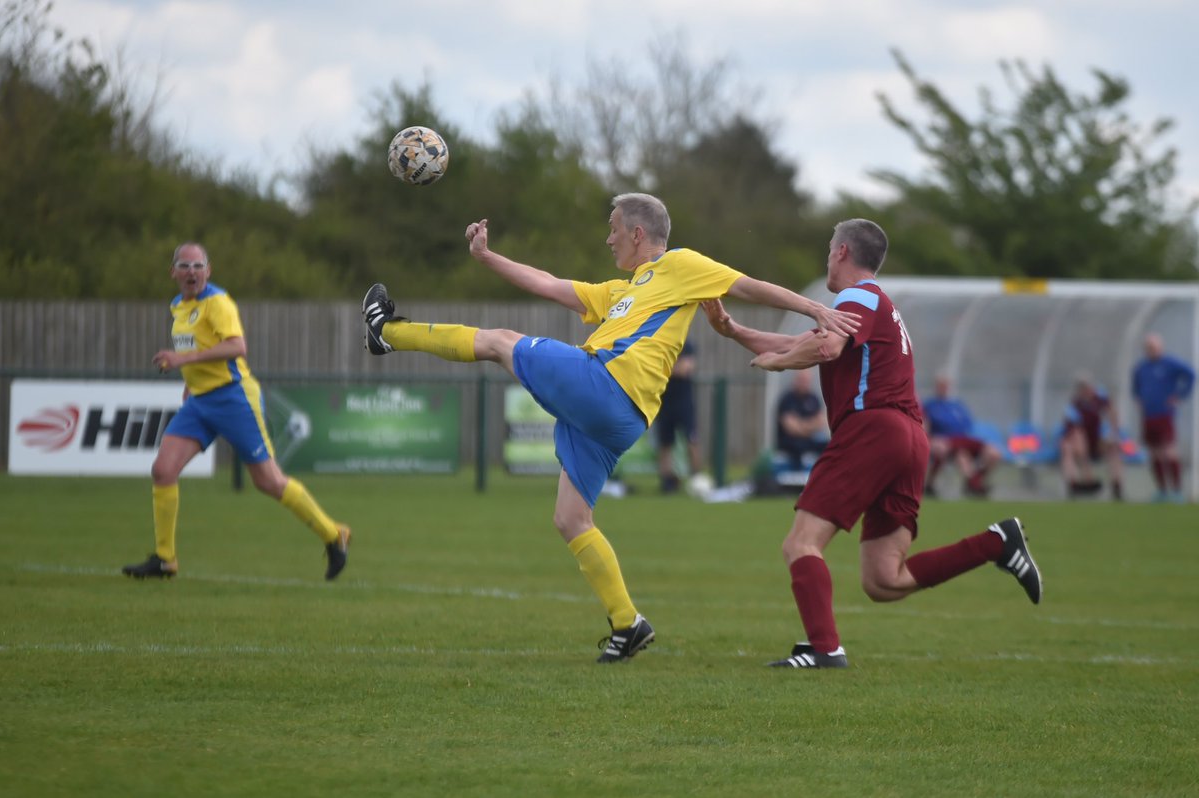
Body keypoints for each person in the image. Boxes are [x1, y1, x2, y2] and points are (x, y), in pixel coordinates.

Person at [360, 192, 860, 663]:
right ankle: (628, 623)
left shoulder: (678, 264)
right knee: (571, 519)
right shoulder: (623, 291)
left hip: (607, 386)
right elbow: (549, 284)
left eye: (613, 228)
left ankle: (387, 333)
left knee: (498, 340)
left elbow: (746, 285)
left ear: (639, 233)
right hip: (616, 417)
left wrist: (815, 308)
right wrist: (487, 258)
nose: (608, 238)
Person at [701, 218, 1041, 669]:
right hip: (909, 438)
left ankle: (824, 648)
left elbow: (824, 351)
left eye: (828, 248)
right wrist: (733, 331)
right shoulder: (876, 306)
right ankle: (997, 543)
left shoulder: (856, 295)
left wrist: (780, 365)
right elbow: (806, 340)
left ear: (842, 252)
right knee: (885, 579)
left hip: (873, 430)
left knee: (801, 544)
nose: (827, 256)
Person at [122, 243, 352, 580]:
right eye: (184, 266)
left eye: (198, 266)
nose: (191, 272)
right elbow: (197, 345)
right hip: (200, 402)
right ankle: (165, 559)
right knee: (163, 470)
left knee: (269, 481)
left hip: (234, 399)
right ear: (173, 272)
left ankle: (334, 535)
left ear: (208, 271)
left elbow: (236, 346)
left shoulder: (218, 302)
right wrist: (190, 379)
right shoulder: (179, 306)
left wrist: (182, 360)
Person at [1132, 333, 1195, 502]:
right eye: (1148, 347)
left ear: (1160, 347)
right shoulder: (1141, 367)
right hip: (1148, 416)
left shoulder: (1169, 364)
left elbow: (1191, 374)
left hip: (1164, 414)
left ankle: (1176, 490)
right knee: (1154, 453)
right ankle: (1162, 491)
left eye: (1153, 347)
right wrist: (1139, 399)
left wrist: (1180, 395)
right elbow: (1136, 388)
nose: (1150, 350)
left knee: (1169, 451)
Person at [922, 374, 1003, 497]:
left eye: (946, 385)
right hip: (945, 441)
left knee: (994, 453)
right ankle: (931, 484)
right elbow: (925, 427)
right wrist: (931, 440)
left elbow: (968, 426)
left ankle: (974, 481)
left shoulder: (957, 405)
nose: (943, 388)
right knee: (955, 453)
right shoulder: (930, 406)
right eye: (941, 385)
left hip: (962, 440)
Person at [1059, 374, 1123, 500]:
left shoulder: (1101, 400)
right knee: (1067, 447)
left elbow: (1112, 416)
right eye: (1082, 387)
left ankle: (1117, 486)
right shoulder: (1075, 405)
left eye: (1087, 387)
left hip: (1099, 443)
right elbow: (1074, 431)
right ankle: (1074, 484)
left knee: (1114, 449)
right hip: (1081, 446)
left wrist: (1112, 434)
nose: (1085, 390)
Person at [653, 339, 705, 494]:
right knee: (665, 444)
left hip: (684, 405)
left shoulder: (685, 344)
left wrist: (667, 366)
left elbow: (685, 369)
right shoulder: (661, 342)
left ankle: (697, 477)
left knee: (692, 440)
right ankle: (667, 481)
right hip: (664, 403)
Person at [775, 369, 828, 472]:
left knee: (827, 444)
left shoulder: (814, 398)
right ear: (796, 380)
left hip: (810, 441)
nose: (804, 383)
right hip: (791, 443)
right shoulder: (787, 399)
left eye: (806, 381)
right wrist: (810, 426)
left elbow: (821, 423)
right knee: (798, 446)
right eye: (802, 380)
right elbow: (791, 428)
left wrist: (801, 425)